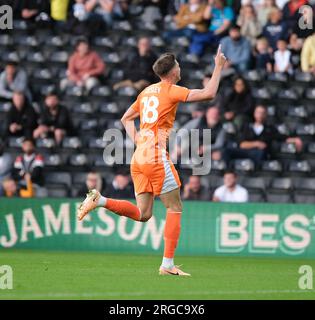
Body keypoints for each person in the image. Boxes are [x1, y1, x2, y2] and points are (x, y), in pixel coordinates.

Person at [77, 47, 227, 276]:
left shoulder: (146, 91)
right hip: (155, 156)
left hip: (139, 157)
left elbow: (125, 118)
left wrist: (138, 140)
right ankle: (167, 265)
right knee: (175, 207)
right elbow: (208, 94)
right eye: (178, 65)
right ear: (173, 71)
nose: (180, 67)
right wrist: (218, 67)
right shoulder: (171, 90)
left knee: (144, 214)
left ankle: (101, 200)